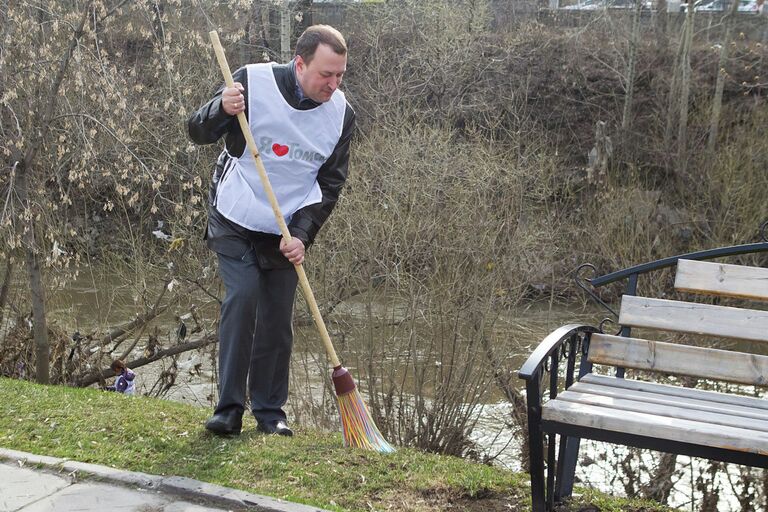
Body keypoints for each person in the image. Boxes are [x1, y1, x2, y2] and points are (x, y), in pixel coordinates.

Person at [187, 25, 355, 437]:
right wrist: (220, 110)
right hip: (236, 213)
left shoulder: (341, 116)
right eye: (325, 75)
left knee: (278, 316)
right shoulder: (250, 82)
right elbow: (196, 131)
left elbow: (330, 183)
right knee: (243, 297)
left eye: (340, 76)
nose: (333, 85)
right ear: (299, 64)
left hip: (286, 227)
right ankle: (228, 409)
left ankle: (270, 412)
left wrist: (302, 234)